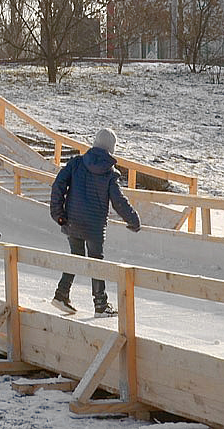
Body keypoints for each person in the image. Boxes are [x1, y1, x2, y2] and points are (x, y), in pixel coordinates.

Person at [49, 128, 141, 317]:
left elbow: (58, 185)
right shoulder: (109, 173)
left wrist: (58, 213)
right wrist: (133, 220)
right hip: (94, 227)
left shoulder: (76, 163)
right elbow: (119, 202)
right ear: (111, 148)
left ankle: (61, 294)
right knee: (96, 261)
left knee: (76, 256)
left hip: (72, 221)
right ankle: (100, 305)